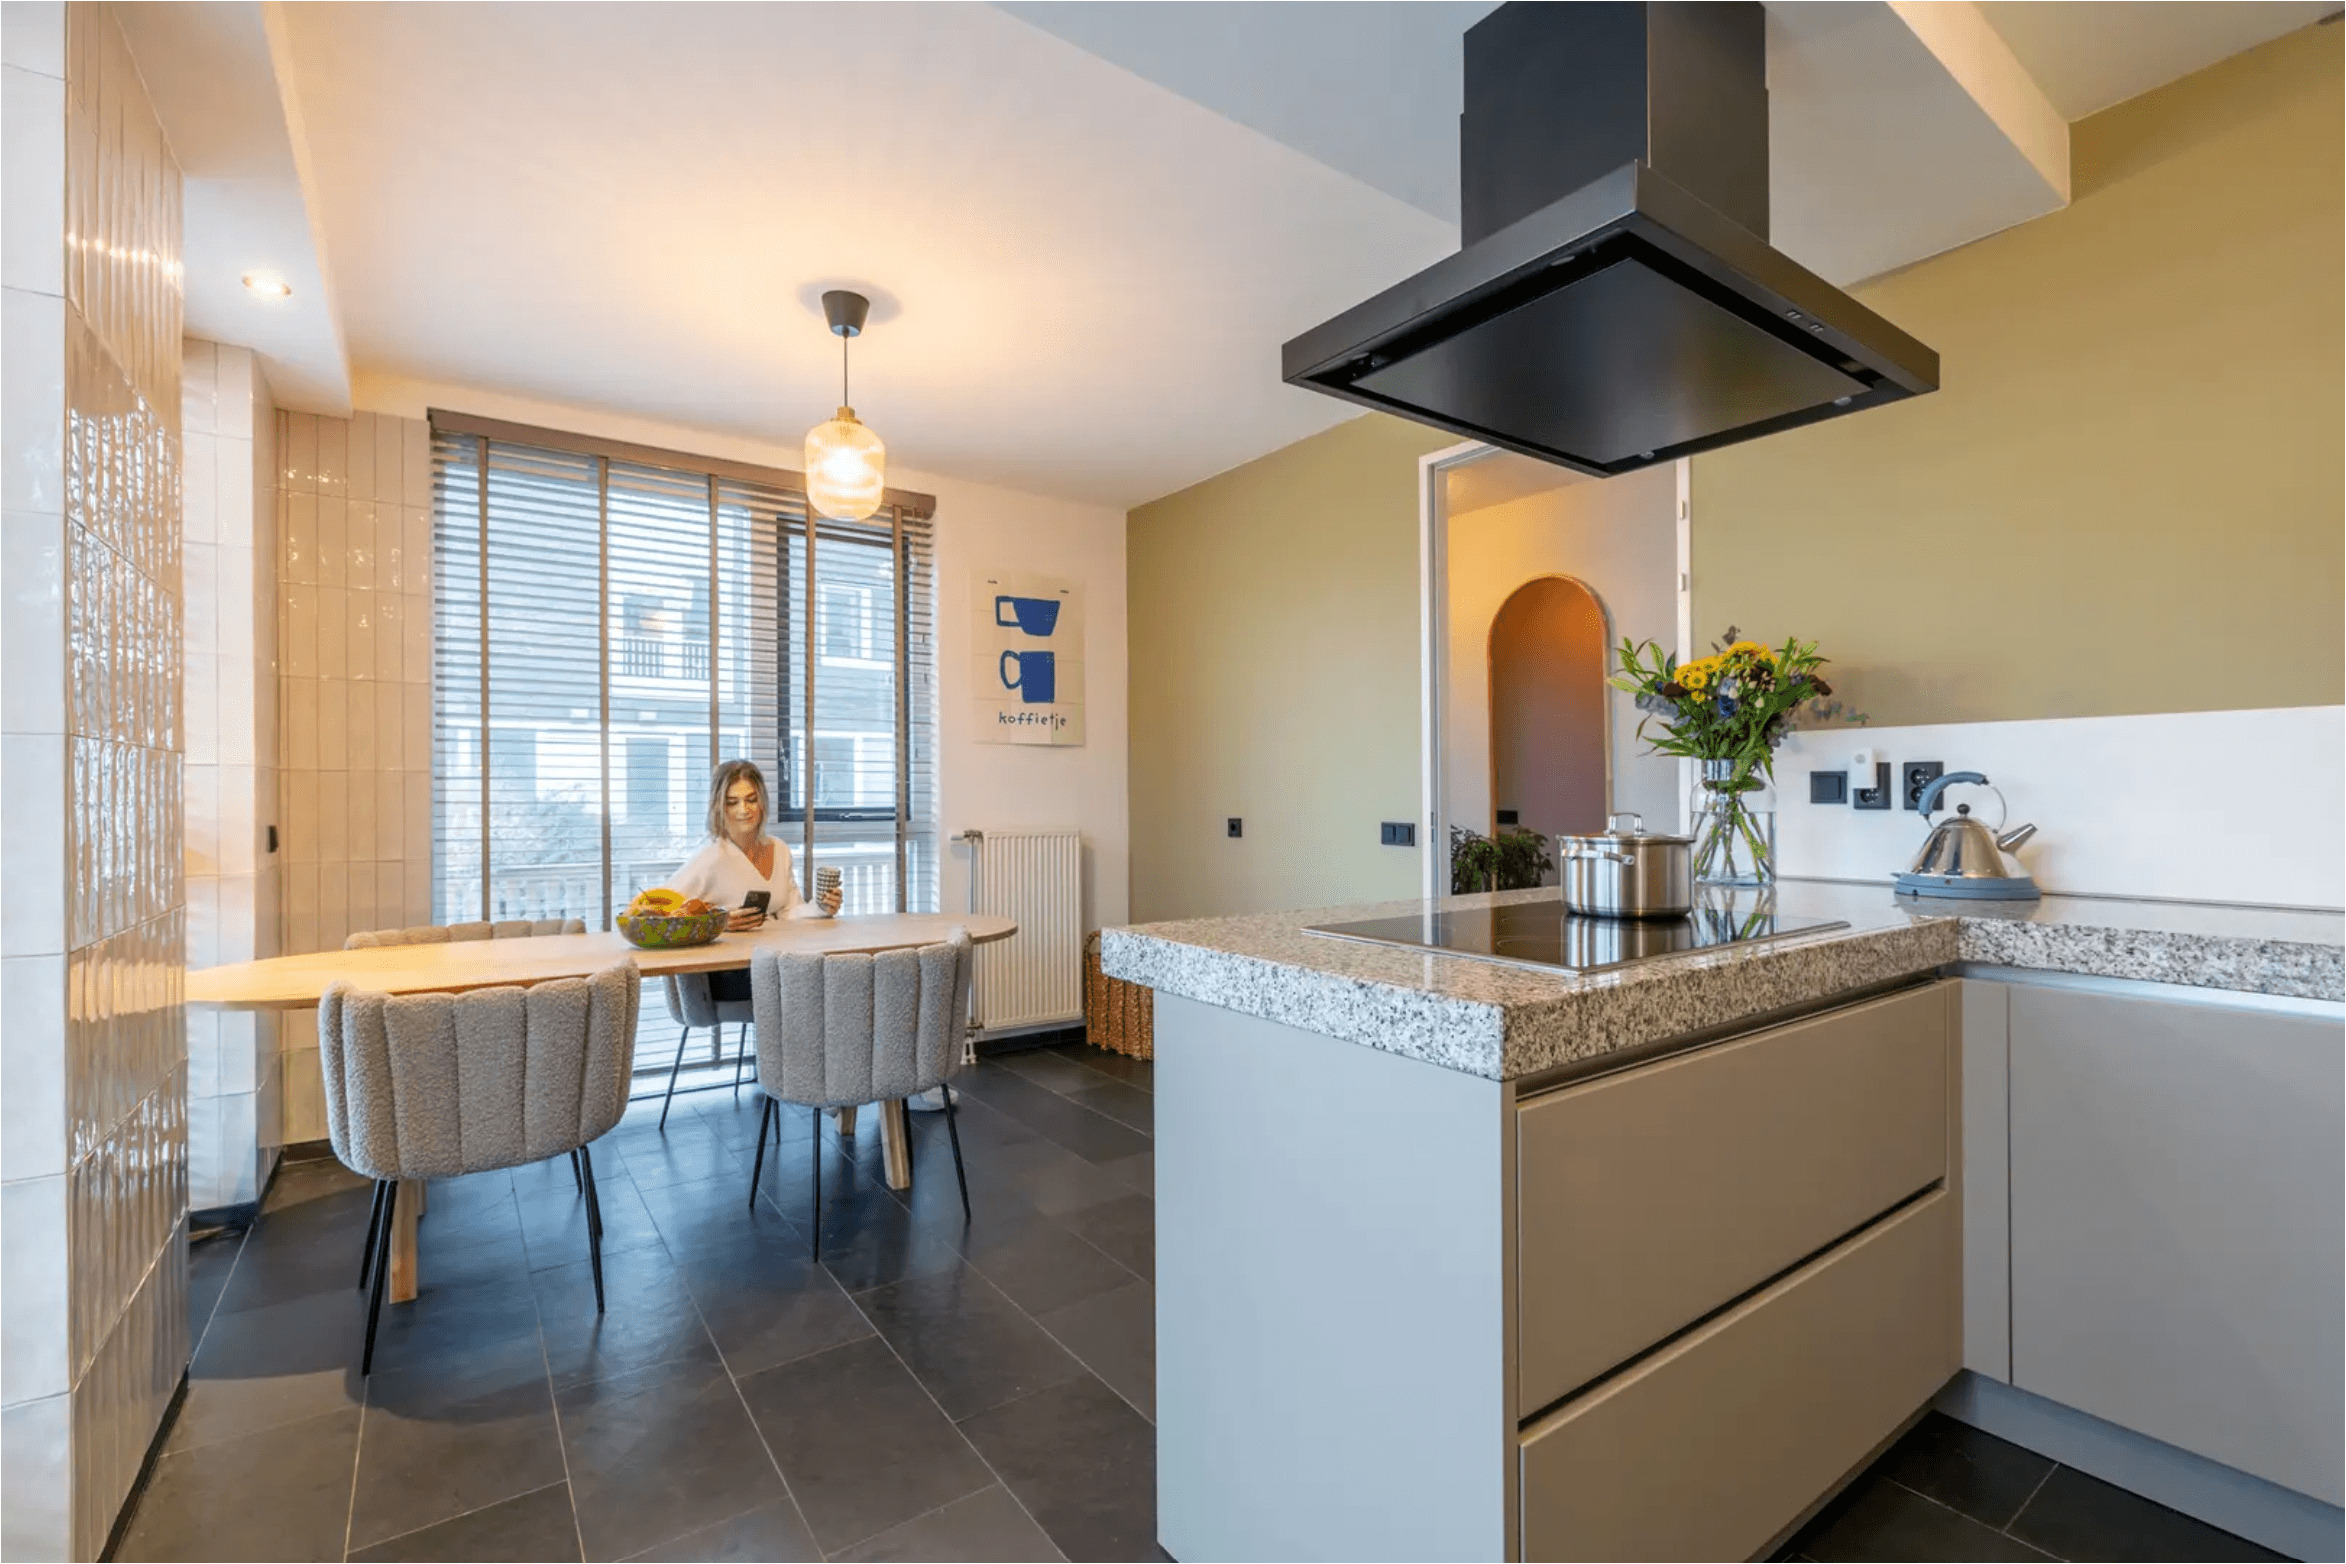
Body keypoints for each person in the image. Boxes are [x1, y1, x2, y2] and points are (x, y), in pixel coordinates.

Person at [671, 759, 840, 1001]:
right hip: (727, 974)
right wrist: (718, 923)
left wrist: (822, 908)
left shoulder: (779, 850)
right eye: (732, 802)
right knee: (817, 984)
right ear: (720, 808)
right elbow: (658, 913)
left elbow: (789, 912)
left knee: (833, 976)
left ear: (762, 803)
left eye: (751, 800)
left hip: (773, 965)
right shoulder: (711, 857)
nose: (743, 809)